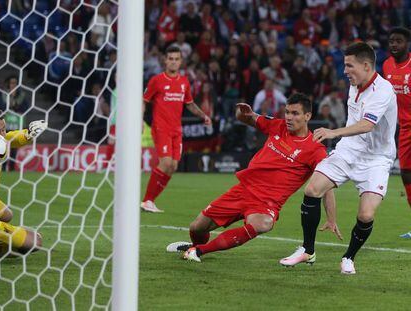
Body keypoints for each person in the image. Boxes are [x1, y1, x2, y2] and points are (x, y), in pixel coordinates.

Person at [166, 93, 336, 263]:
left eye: (295, 113)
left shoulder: (315, 149)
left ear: (308, 116)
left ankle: (200, 250)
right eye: (287, 112)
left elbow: (324, 185)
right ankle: (193, 246)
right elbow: (248, 118)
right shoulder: (278, 125)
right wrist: (241, 113)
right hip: (242, 190)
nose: (289, 117)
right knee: (197, 227)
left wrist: (331, 218)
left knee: (263, 223)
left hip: (266, 202)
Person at [280, 42, 397, 274]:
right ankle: (307, 250)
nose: (345, 71)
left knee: (365, 214)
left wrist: (332, 132)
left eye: (349, 65)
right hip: (349, 150)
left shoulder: (383, 90)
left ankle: (349, 257)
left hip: (376, 158)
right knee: (312, 190)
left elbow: (366, 125)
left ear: (366, 66)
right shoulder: (354, 85)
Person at [141, 46, 211, 213]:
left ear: (180, 61)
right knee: (165, 162)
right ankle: (147, 200)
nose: (173, 61)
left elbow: (190, 104)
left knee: (172, 166)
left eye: (176, 59)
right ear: (165, 60)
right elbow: (144, 100)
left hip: (176, 130)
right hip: (160, 127)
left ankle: (150, 201)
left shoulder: (184, 82)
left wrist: (204, 116)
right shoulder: (156, 80)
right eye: (170, 58)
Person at [0, 108, 47, 257]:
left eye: (3, 129)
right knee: (34, 242)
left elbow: (12, 137)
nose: (2, 134)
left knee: (6, 215)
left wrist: (28, 134)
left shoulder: (1, 142)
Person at [382, 27, 411, 239]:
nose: (394, 44)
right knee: (406, 174)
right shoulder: (387, 65)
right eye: (392, 41)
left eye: (398, 41)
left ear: (407, 43)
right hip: (403, 128)